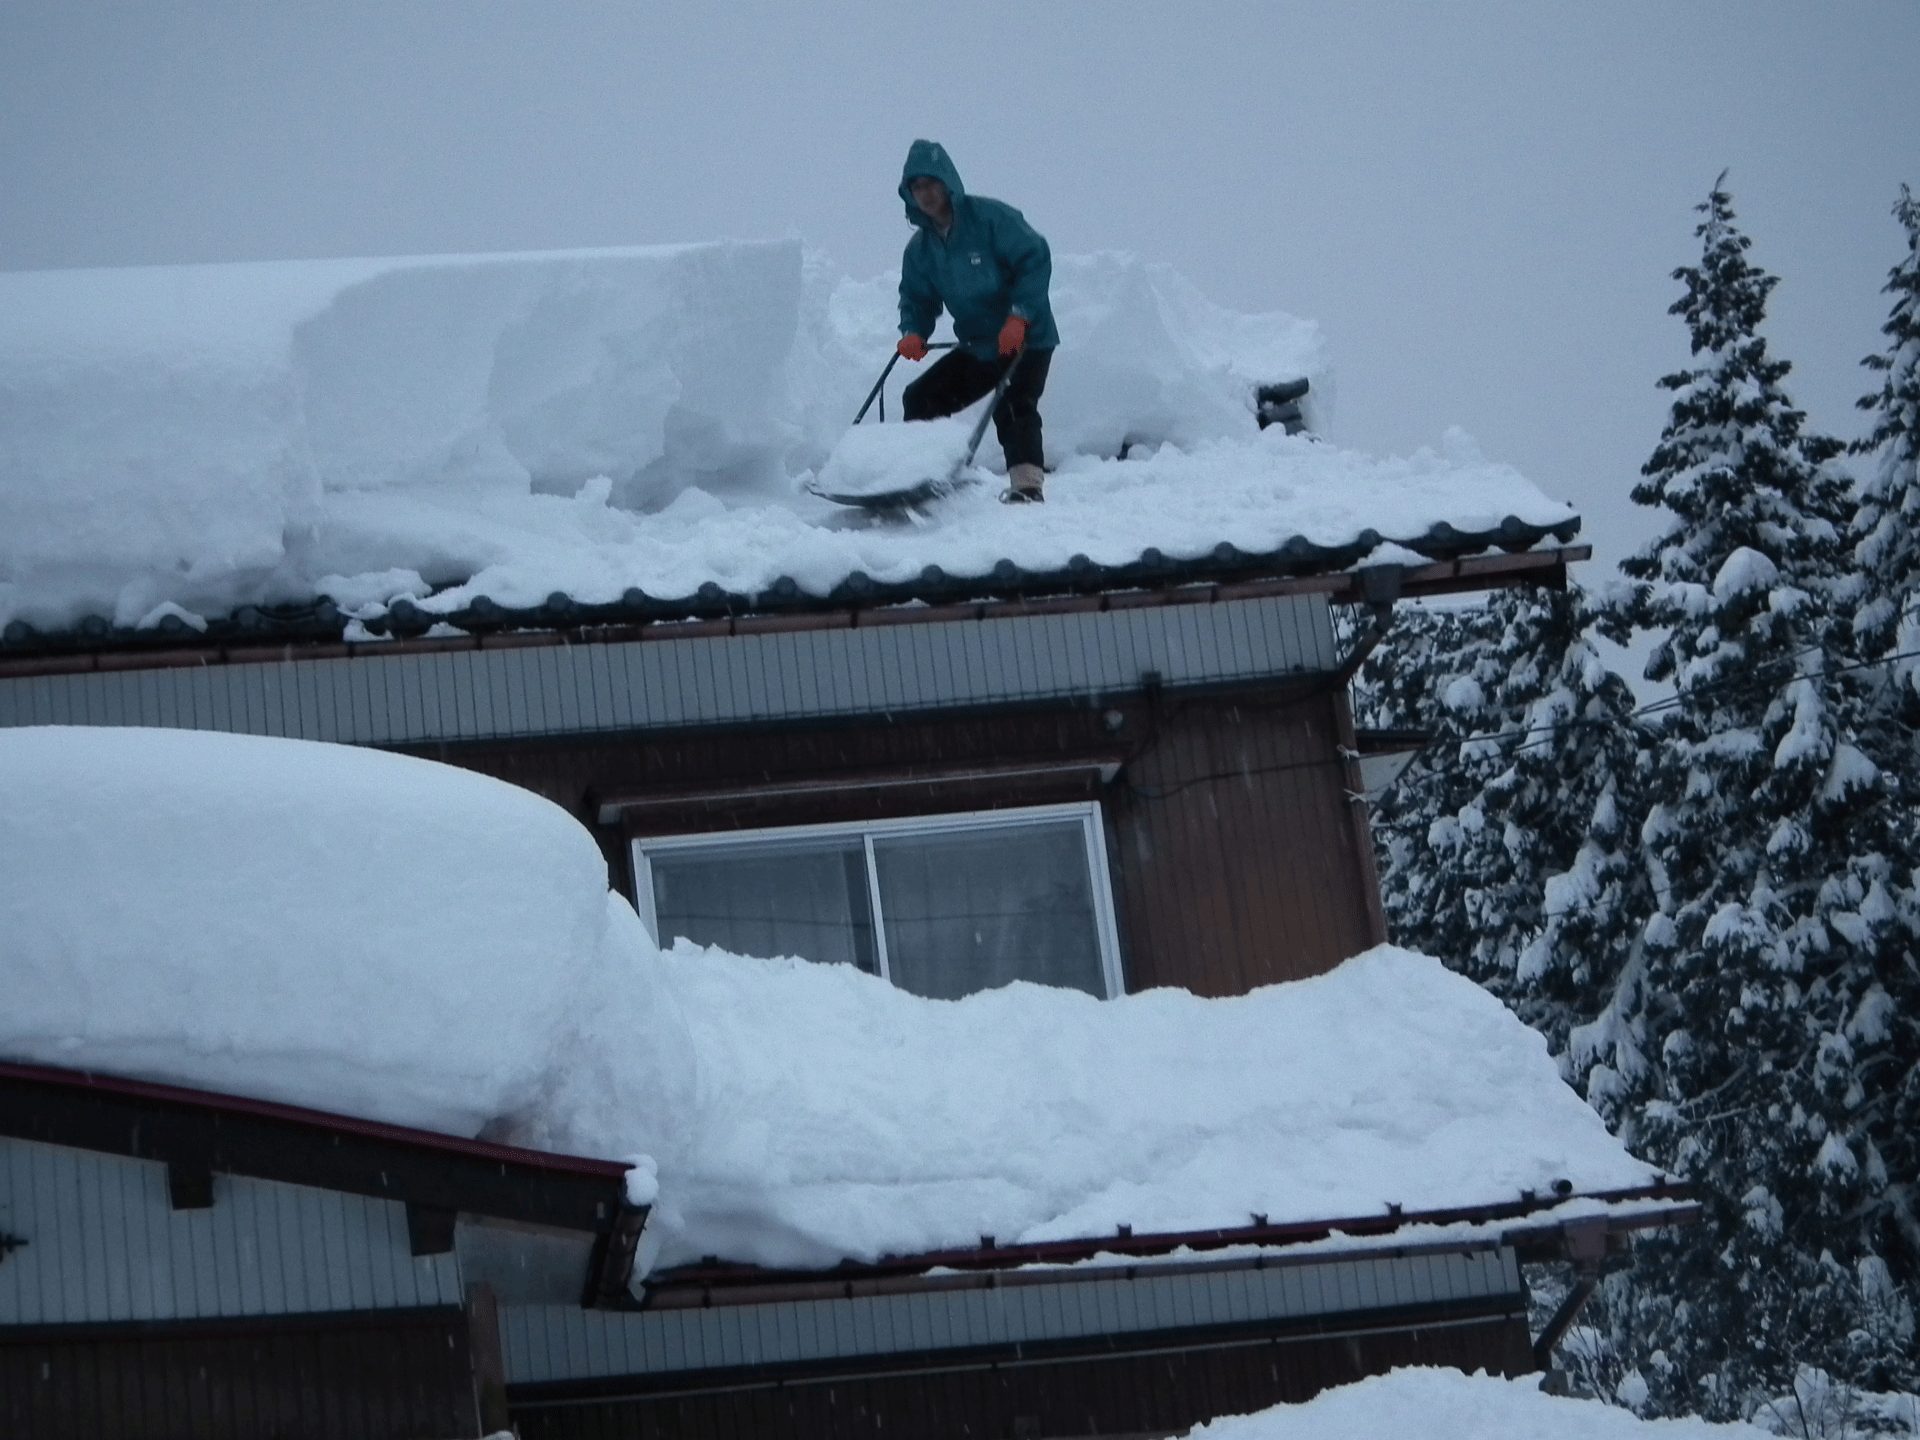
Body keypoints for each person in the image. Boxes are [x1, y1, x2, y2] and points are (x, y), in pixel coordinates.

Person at [894, 139, 1060, 502]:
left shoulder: (991, 220)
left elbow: (1034, 258)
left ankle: (1027, 486)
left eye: (931, 183)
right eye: (916, 187)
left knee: (1014, 400)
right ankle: (921, 482)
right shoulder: (921, 250)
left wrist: (1019, 317)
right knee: (921, 398)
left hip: (1028, 338)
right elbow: (916, 298)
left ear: (948, 182)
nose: (925, 193)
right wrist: (913, 331)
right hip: (981, 346)